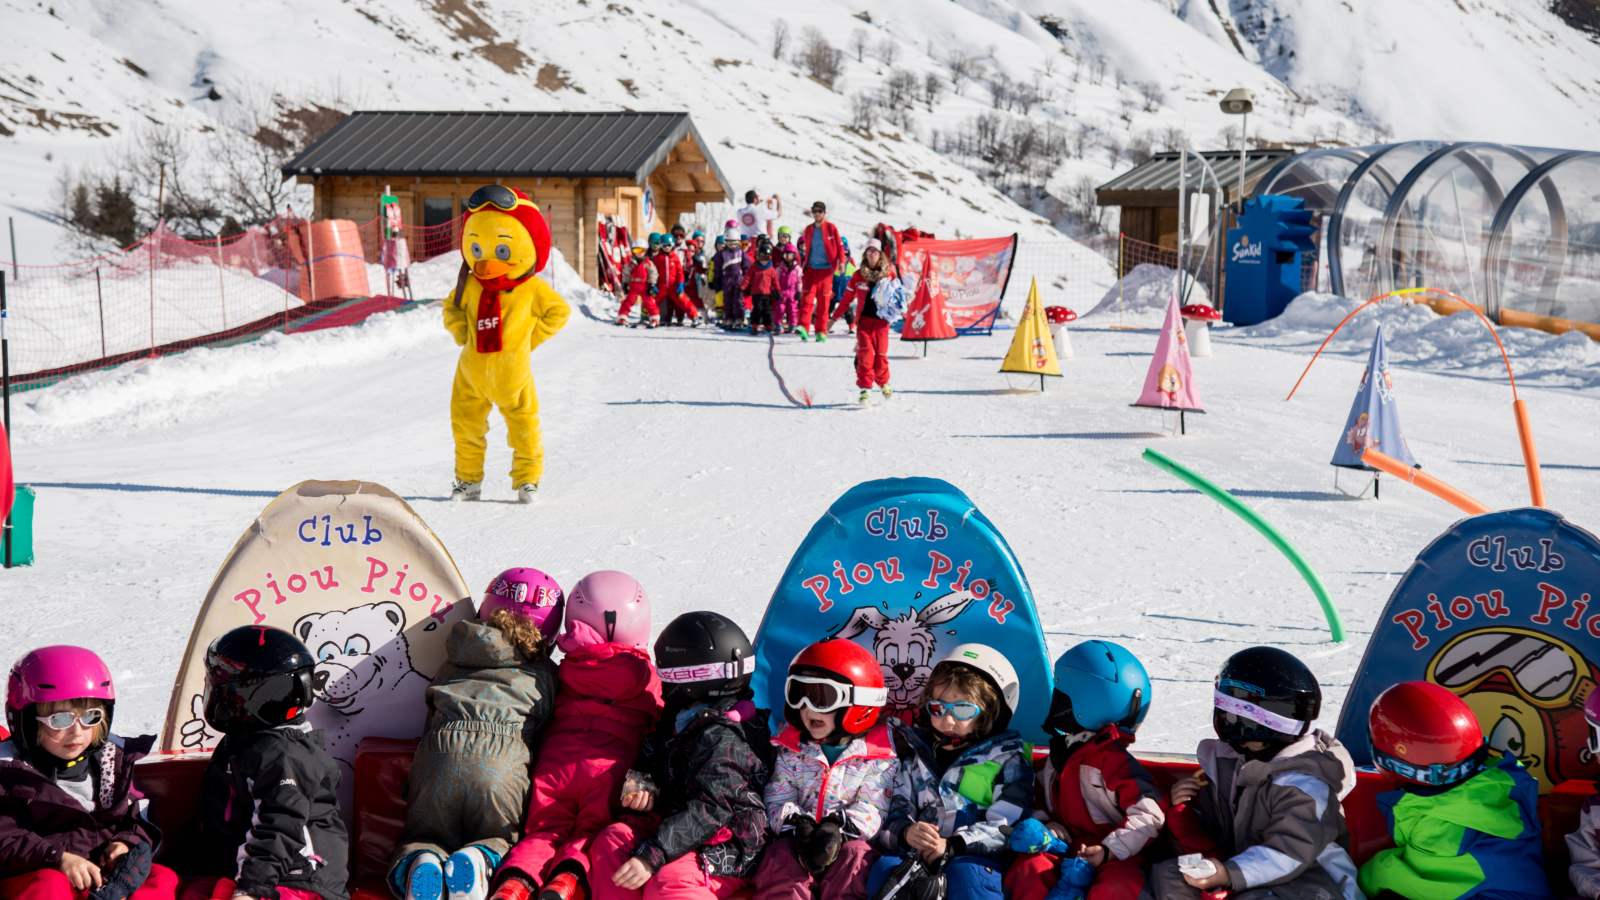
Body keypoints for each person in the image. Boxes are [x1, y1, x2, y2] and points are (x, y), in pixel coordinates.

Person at [388, 570, 563, 900]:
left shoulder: (453, 659)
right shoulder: (546, 675)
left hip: (438, 761)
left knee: (425, 833)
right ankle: (478, 858)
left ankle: (423, 860)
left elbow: (430, 717)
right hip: (501, 770)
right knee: (498, 836)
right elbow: (548, 734)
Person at [497, 572, 662, 900]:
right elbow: (658, 730)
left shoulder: (568, 666)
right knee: (588, 831)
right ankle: (565, 882)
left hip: (556, 762)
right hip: (608, 768)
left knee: (543, 830)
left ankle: (513, 885)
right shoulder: (648, 678)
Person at [1151, 646, 1360, 899]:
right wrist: (1187, 811)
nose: (1223, 719)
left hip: (1313, 883)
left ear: (1251, 723)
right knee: (1169, 875)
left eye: (1229, 711)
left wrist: (1230, 875)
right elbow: (1218, 829)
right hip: (1243, 871)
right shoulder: (1231, 763)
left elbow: (1291, 851)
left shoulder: (1305, 785)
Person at [590, 612, 773, 900]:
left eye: (666, 672)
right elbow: (654, 755)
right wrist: (642, 784)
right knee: (611, 843)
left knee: (670, 879)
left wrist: (655, 853)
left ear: (687, 677)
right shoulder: (682, 717)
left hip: (728, 845)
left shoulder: (725, 736)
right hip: (682, 829)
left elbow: (711, 808)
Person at [0, 646, 176, 900]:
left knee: (161, 878)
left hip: (99, 878)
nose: (77, 732)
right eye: (60, 720)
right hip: (43, 873)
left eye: (91, 717)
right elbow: (5, 838)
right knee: (47, 884)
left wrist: (125, 843)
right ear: (26, 722)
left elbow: (139, 817)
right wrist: (57, 859)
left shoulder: (112, 767)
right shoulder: (11, 777)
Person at [186, 626, 348, 900]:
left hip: (297, 880)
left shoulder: (283, 755)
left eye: (225, 689)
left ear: (255, 698)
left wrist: (250, 889)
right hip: (250, 873)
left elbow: (280, 824)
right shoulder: (246, 742)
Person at [866, 644, 1033, 900]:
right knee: (885, 869)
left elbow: (1010, 827)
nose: (948, 720)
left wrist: (955, 846)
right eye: (937, 708)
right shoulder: (916, 757)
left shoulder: (1008, 762)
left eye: (963, 710)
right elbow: (894, 809)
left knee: (968, 877)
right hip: (919, 855)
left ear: (990, 713)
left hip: (974, 857)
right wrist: (906, 832)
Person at [1360, 681, 1549, 900]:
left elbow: (1401, 879)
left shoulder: (1437, 825)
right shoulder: (1503, 789)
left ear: (1391, 763)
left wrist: (1363, 877)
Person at [1004, 641, 1162, 900]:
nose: (1055, 703)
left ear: (1086, 703)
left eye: (1061, 696)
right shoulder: (1062, 753)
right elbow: (1035, 795)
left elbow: (1149, 815)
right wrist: (1047, 824)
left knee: (1121, 884)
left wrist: (1109, 851)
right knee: (1029, 868)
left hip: (1115, 855)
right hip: (1064, 849)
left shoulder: (1114, 762)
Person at [446, 186, 570, 505]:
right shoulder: (470, 283)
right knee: (466, 428)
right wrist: (462, 332)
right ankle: (467, 481)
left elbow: (559, 311)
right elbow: (452, 307)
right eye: (476, 249)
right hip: (470, 373)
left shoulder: (531, 288)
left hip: (512, 375)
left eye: (501, 251)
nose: (486, 261)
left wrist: (530, 340)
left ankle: (527, 480)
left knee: (524, 428)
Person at [754, 640, 895, 900]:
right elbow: (777, 796)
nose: (808, 708)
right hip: (800, 843)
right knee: (779, 854)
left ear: (858, 703)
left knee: (857, 856)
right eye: (799, 694)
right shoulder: (791, 749)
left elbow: (873, 808)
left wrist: (837, 828)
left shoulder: (878, 758)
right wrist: (797, 825)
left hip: (847, 842)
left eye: (822, 698)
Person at [831, 239, 899, 405]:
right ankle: (865, 391)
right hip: (864, 323)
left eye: (875, 251)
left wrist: (904, 306)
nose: (872, 254)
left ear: (880, 254)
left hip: (882, 323)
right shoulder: (858, 275)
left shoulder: (889, 274)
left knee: (881, 355)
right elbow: (847, 299)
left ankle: (883, 383)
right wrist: (833, 319)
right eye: (869, 251)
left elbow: (898, 296)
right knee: (865, 356)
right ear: (865, 254)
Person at [797, 202, 844, 342]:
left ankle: (821, 332)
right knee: (806, 301)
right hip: (811, 270)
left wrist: (841, 262)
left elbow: (840, 245)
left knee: (823, 303)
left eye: (819, 211)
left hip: (825, 271)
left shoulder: (831, 228)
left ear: (824, 213)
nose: (817, 213)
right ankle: (803, 328)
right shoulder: (808, 229)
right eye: (814, 211)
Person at [616, 241, 660, 328]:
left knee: (650, 302)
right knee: (628, 301)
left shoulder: (648, 263)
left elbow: (653, 273)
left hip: (645, 286)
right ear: (633, 251)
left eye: (641, 250)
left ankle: (654, 318)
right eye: (636, 250)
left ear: (645, 251)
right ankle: (622, 317)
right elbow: (626, 273)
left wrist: (652, 284)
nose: (639, 253)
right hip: (634, 285)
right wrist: (625, 284)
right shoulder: (630, 263)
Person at [714, 232, 749, 330]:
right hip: (726, 279)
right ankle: (729, 318)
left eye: (734, 243)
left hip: (738, 279)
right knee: (728, 300)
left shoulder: (741, 253)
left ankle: (739, 318)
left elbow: (747, 267)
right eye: (730, 243)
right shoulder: (722, 254)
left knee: (738, 300)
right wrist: (717, 279)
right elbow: (717, 267)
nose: (732, 246)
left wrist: (747, 281)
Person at [742, 247, 781, 335]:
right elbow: (747, 278)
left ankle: (768, 324)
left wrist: (778, 291)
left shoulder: (771, 269)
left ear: (770, 258)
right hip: (756, 294)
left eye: (766, 258)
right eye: (762, 258)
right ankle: (754, 325)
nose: (764, 261)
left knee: (767, 310)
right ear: (758, 257)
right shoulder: (754, 267)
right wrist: (742, 288)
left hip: (767, 294)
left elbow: (775, 281)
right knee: (757, 309)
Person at [773, 246, 801, 334]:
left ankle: (793, 325)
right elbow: (775, 280)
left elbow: (799, 281)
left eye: (791, 256)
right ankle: (778, 325)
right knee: (780, 309)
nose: (788, 258)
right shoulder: (780, 268)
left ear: (794, 256)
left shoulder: (797, 269)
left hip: (792, 292)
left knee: (793, 309)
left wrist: (799, 291)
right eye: (786, 255)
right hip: (782, 291)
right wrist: (775, 290)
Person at [831, 241, 855, 334]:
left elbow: (855, 280)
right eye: (842, 253)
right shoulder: (833, 266)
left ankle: (851, 326)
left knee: (848, 312)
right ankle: (826, 325)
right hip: (833, 293)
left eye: (846, 254)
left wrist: (854, 292)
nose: (844, 256)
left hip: (845, 294)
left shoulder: (851, 267)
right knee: (827, 310)